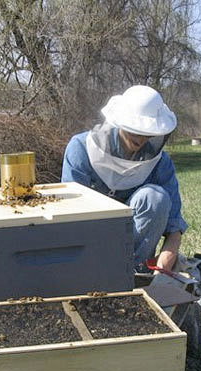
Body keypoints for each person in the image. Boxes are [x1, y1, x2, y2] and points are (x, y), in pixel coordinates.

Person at [61, 85, 188, 274]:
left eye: (148, 132)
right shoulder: (80, 149)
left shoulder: (161, 163)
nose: (142, 138)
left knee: (155, 198)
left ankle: (134, 275)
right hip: (91, 245)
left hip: (136, 251)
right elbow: (71, 217)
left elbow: (174, 228)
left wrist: (162, 272)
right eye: (135, 129)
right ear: (119, 123)